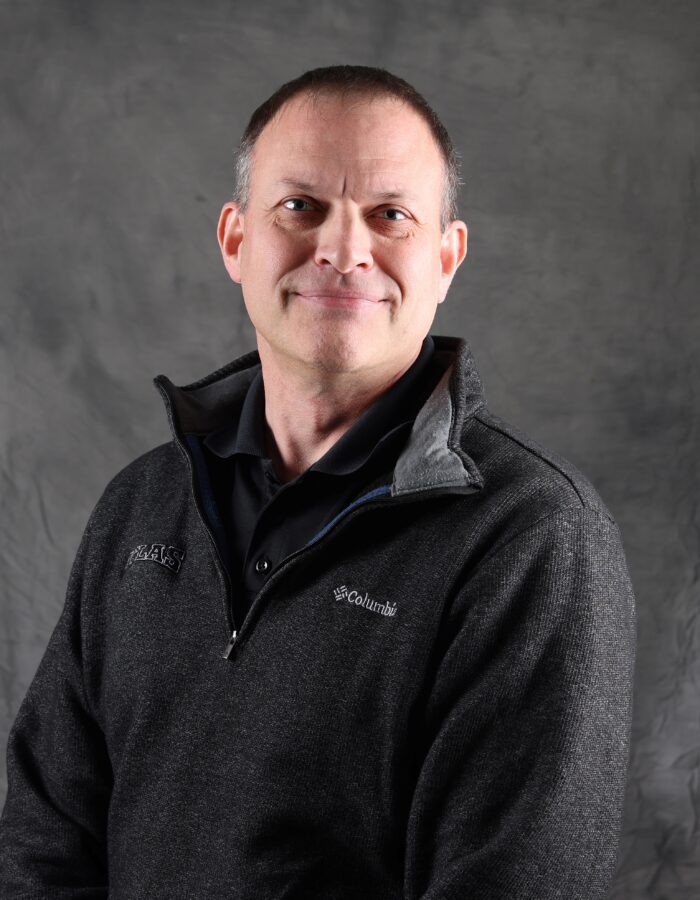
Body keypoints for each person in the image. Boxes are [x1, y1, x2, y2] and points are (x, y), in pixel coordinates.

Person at [0, 65, 636, 899]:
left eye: (390, 215)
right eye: (300, 206)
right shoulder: (142, 505)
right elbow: (41, 846)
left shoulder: (533, 539)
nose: (341, 250)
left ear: (446, 259)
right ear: (235, 241)